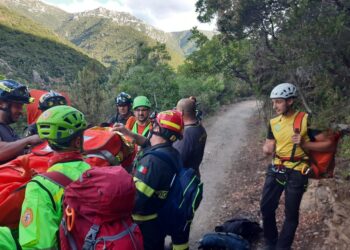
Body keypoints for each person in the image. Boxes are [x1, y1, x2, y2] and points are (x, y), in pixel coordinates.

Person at [260, 83, 333, 250]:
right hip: (277, 168)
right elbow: (269, 143)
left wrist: (305, 143)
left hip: (297, 171)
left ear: (290, 101)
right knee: (266, 207)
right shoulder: (273, 122)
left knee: (291, 214)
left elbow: (328, 144)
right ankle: (271, 242)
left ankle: (282, 247)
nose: (275, 106)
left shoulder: (305, 120)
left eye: (278, 102)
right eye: (273, 102)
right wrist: (267, 148)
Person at [112, 110, 189, 250]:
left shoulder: (152, 162)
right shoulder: (170, 152)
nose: (152, 125)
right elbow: (147, 142)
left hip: (145, 226)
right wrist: (126, 132)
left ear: (158, 129)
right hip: (158, 219)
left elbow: (135, 200)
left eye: (154, 123)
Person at [18, 105, 89, 249]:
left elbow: (38, 244)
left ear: (49, 143)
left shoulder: (40, 186)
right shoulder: (94, 171)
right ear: (77, 141)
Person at [0, 79, 42, 164]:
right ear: (1, 103)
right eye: (17, 106)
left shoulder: (7, 129)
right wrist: (28, 140)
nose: (21, 111)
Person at [173, 98, 207, 177]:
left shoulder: (186, 134)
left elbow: (175, 160)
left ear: (181, 113)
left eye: (176, 110)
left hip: (185, 180)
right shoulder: (199, 127)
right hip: (194, 174)